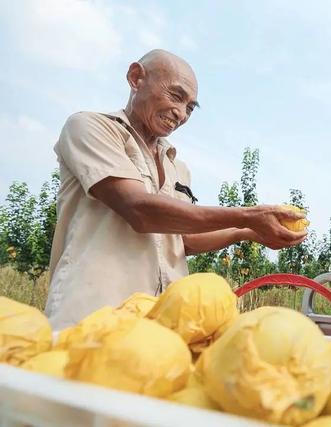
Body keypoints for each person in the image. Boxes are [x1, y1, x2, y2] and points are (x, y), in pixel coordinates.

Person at [45, 49, 306, 330]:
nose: (181, 114)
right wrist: (246, 215)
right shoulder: (91, 128)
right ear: (136, 78)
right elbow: (138, 209)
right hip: (91, 317)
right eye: (176, 96)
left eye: (191, 107)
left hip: (157, 327)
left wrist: (250, 231)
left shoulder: (176, 166)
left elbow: (184, 239)